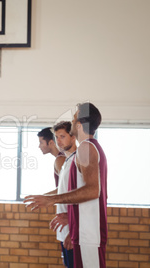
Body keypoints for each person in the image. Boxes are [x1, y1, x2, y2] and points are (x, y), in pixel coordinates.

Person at [24, 102, 107, 268]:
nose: (72, 121)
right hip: (83, 231)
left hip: (87, 232)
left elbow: (92, 190)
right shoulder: (84, 149)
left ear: (79, 124)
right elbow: (83, 191)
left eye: (74, 117)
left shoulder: (87, 148)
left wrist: (52, 199)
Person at [49, 121, 77, 268]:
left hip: (73, 233)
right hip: (65, 232)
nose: (58, 141)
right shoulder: (67, 162)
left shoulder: (78, 162)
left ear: (73, 137)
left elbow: (86, 198)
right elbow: (63, 193)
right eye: (56, 137)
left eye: (62, 136)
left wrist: (74, 231)